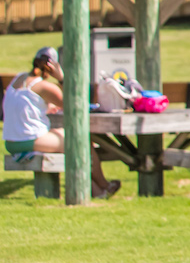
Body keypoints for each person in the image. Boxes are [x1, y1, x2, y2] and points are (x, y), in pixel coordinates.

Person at [3, 48, 117, 199]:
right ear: (53, 66)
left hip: (11, 141)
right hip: (27, 140)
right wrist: (61, 78)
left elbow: (25, 104)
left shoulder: (18, 79)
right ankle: (104, 185)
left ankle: (97, 191)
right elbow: (75, 104)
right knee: (81, 142)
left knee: (70, 144)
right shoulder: (44, 86)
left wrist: (46, 107)